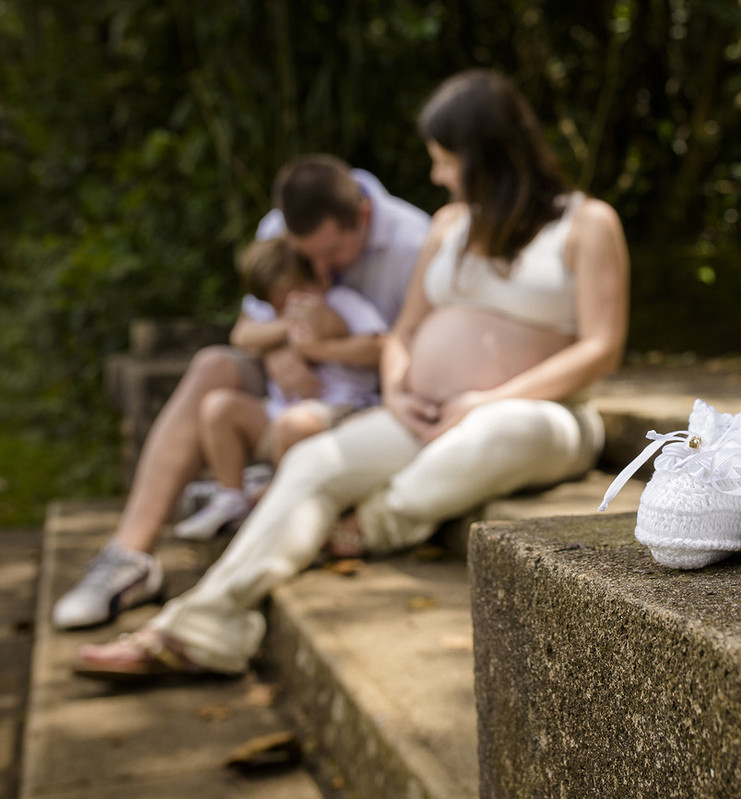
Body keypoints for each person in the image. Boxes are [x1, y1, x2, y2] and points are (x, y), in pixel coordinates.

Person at [73, 68, 630, 679]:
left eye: (444, 161)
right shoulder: (449, 225)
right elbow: (405, 332)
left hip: (540, 416)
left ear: (485, 155)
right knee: (313, 463)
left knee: (498, 433)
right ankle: (200, 626)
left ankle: (370, 523)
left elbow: (601, 347)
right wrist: (396, 390)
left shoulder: (587, 223)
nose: (437, 176)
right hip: (424, 410)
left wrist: (490, 398)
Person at [52, 155, 431, 629]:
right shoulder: (279, 226)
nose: (318, 270)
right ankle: (128, 556)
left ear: (364, 217)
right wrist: (281, 351)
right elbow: (247, 329)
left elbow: (412, 351)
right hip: (289, 389)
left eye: (331, 253)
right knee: (212, 367)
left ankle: (259, 502)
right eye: (305, 255)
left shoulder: (417, 240)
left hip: (367, 401)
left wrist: (326, 346)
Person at [173, 237, 389, 541]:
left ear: (317, 278)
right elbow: (243, 336)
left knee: (295, 425)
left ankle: (275, 503)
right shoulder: (278, 318)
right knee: (218, 407)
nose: (292, 306)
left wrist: (320, 348)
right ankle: (233, 496)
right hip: (277, 417)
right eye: (280, 304)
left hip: (337, 414)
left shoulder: (343, 302)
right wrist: (285, 328)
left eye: (298, 295)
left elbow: (379, 347)